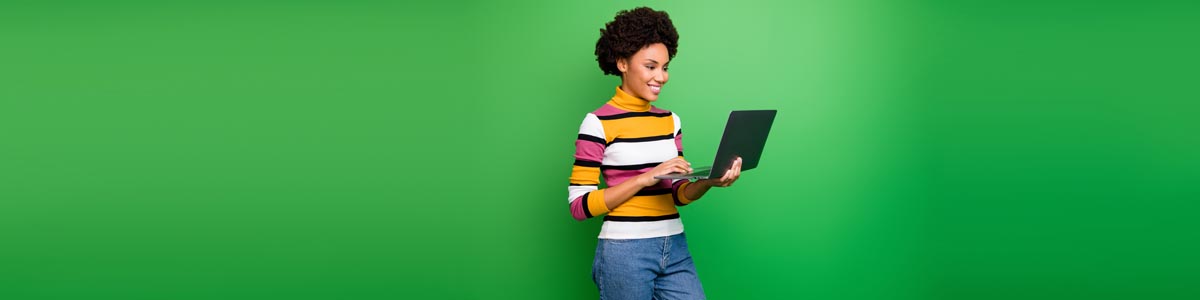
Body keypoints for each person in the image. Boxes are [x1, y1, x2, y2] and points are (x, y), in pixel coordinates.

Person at [567, 7, 743, 300]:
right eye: (651, 66)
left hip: (674, 245)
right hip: (624, 252)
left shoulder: (670, 121)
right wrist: (645, 178)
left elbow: (677, 194)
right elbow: (579, 206)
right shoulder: (597, 123)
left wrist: (708, 182)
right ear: (623, 63)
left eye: (665, 67)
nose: (661, 76)